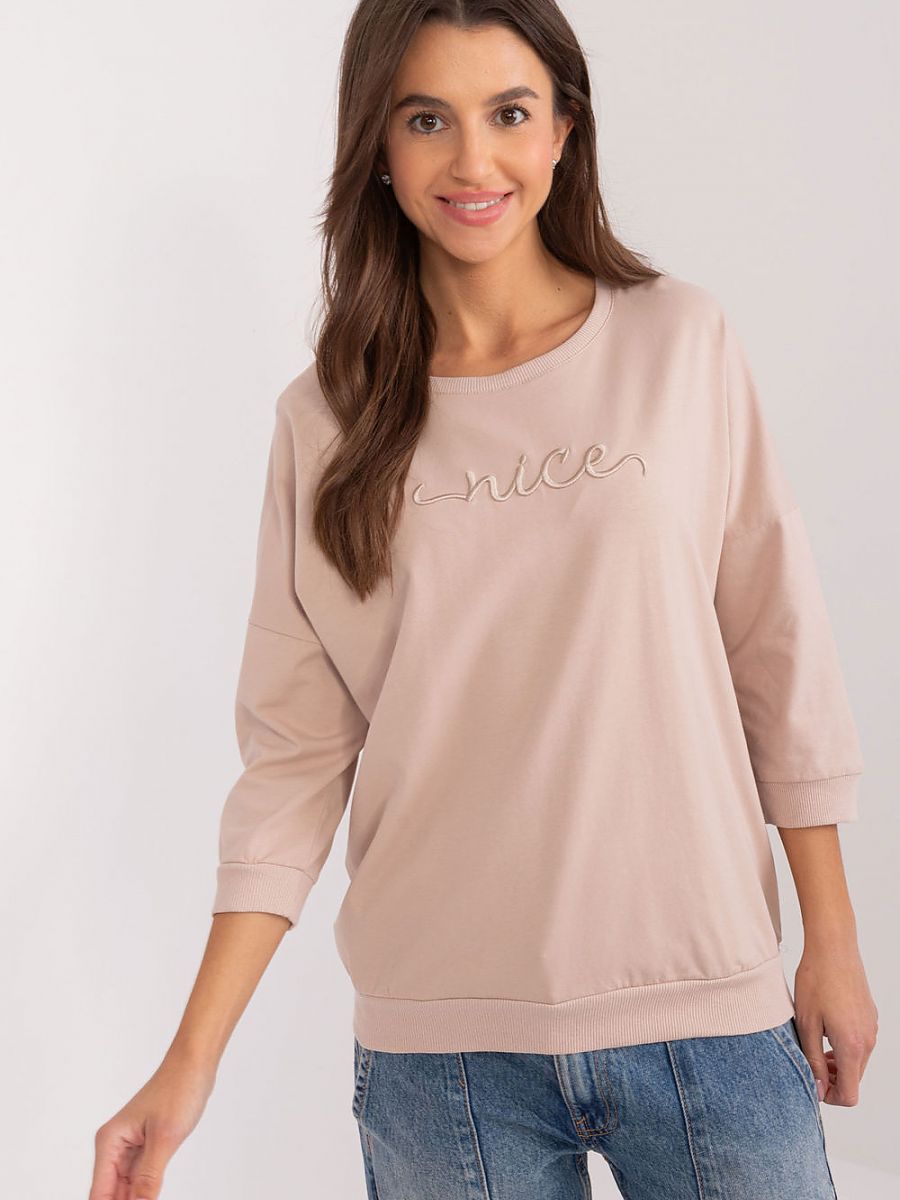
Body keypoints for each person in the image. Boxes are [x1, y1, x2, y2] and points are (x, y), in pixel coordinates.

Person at [90, 2, 879, 1198]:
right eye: (427, 120)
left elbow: (776, 648)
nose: (472, 161)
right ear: (378, 143)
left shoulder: (679, 343)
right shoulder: (326, 424)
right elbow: (295, 762)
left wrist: (834, 938)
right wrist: (186, 1066)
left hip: (706, 1012)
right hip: (443, 1059)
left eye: (508, 113)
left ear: (563, 128)